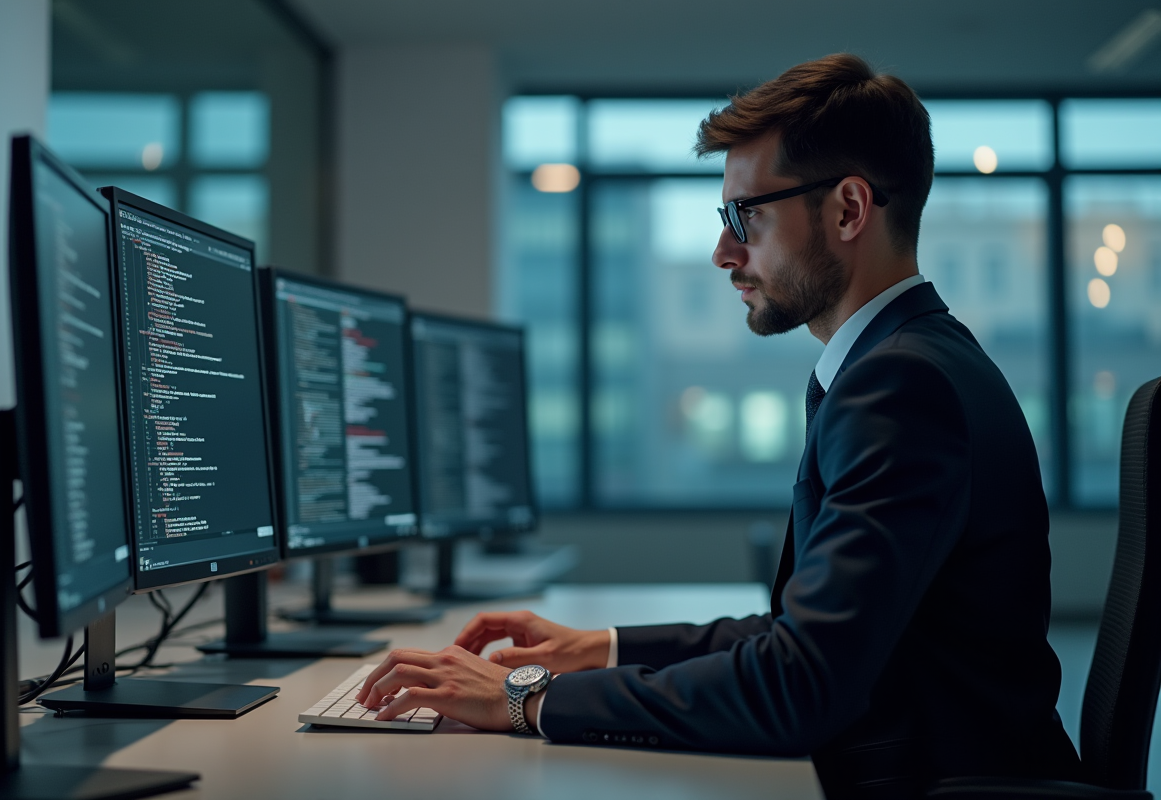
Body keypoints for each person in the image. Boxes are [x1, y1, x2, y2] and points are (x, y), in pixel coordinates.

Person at [355, 53, 1081, 797]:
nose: (723, 252)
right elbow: (803, 637)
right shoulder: (905, 363)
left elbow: (798, 685)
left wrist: (525, 699)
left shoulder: (900, 385)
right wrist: (594, 649)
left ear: (849, 209)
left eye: (747, 216)